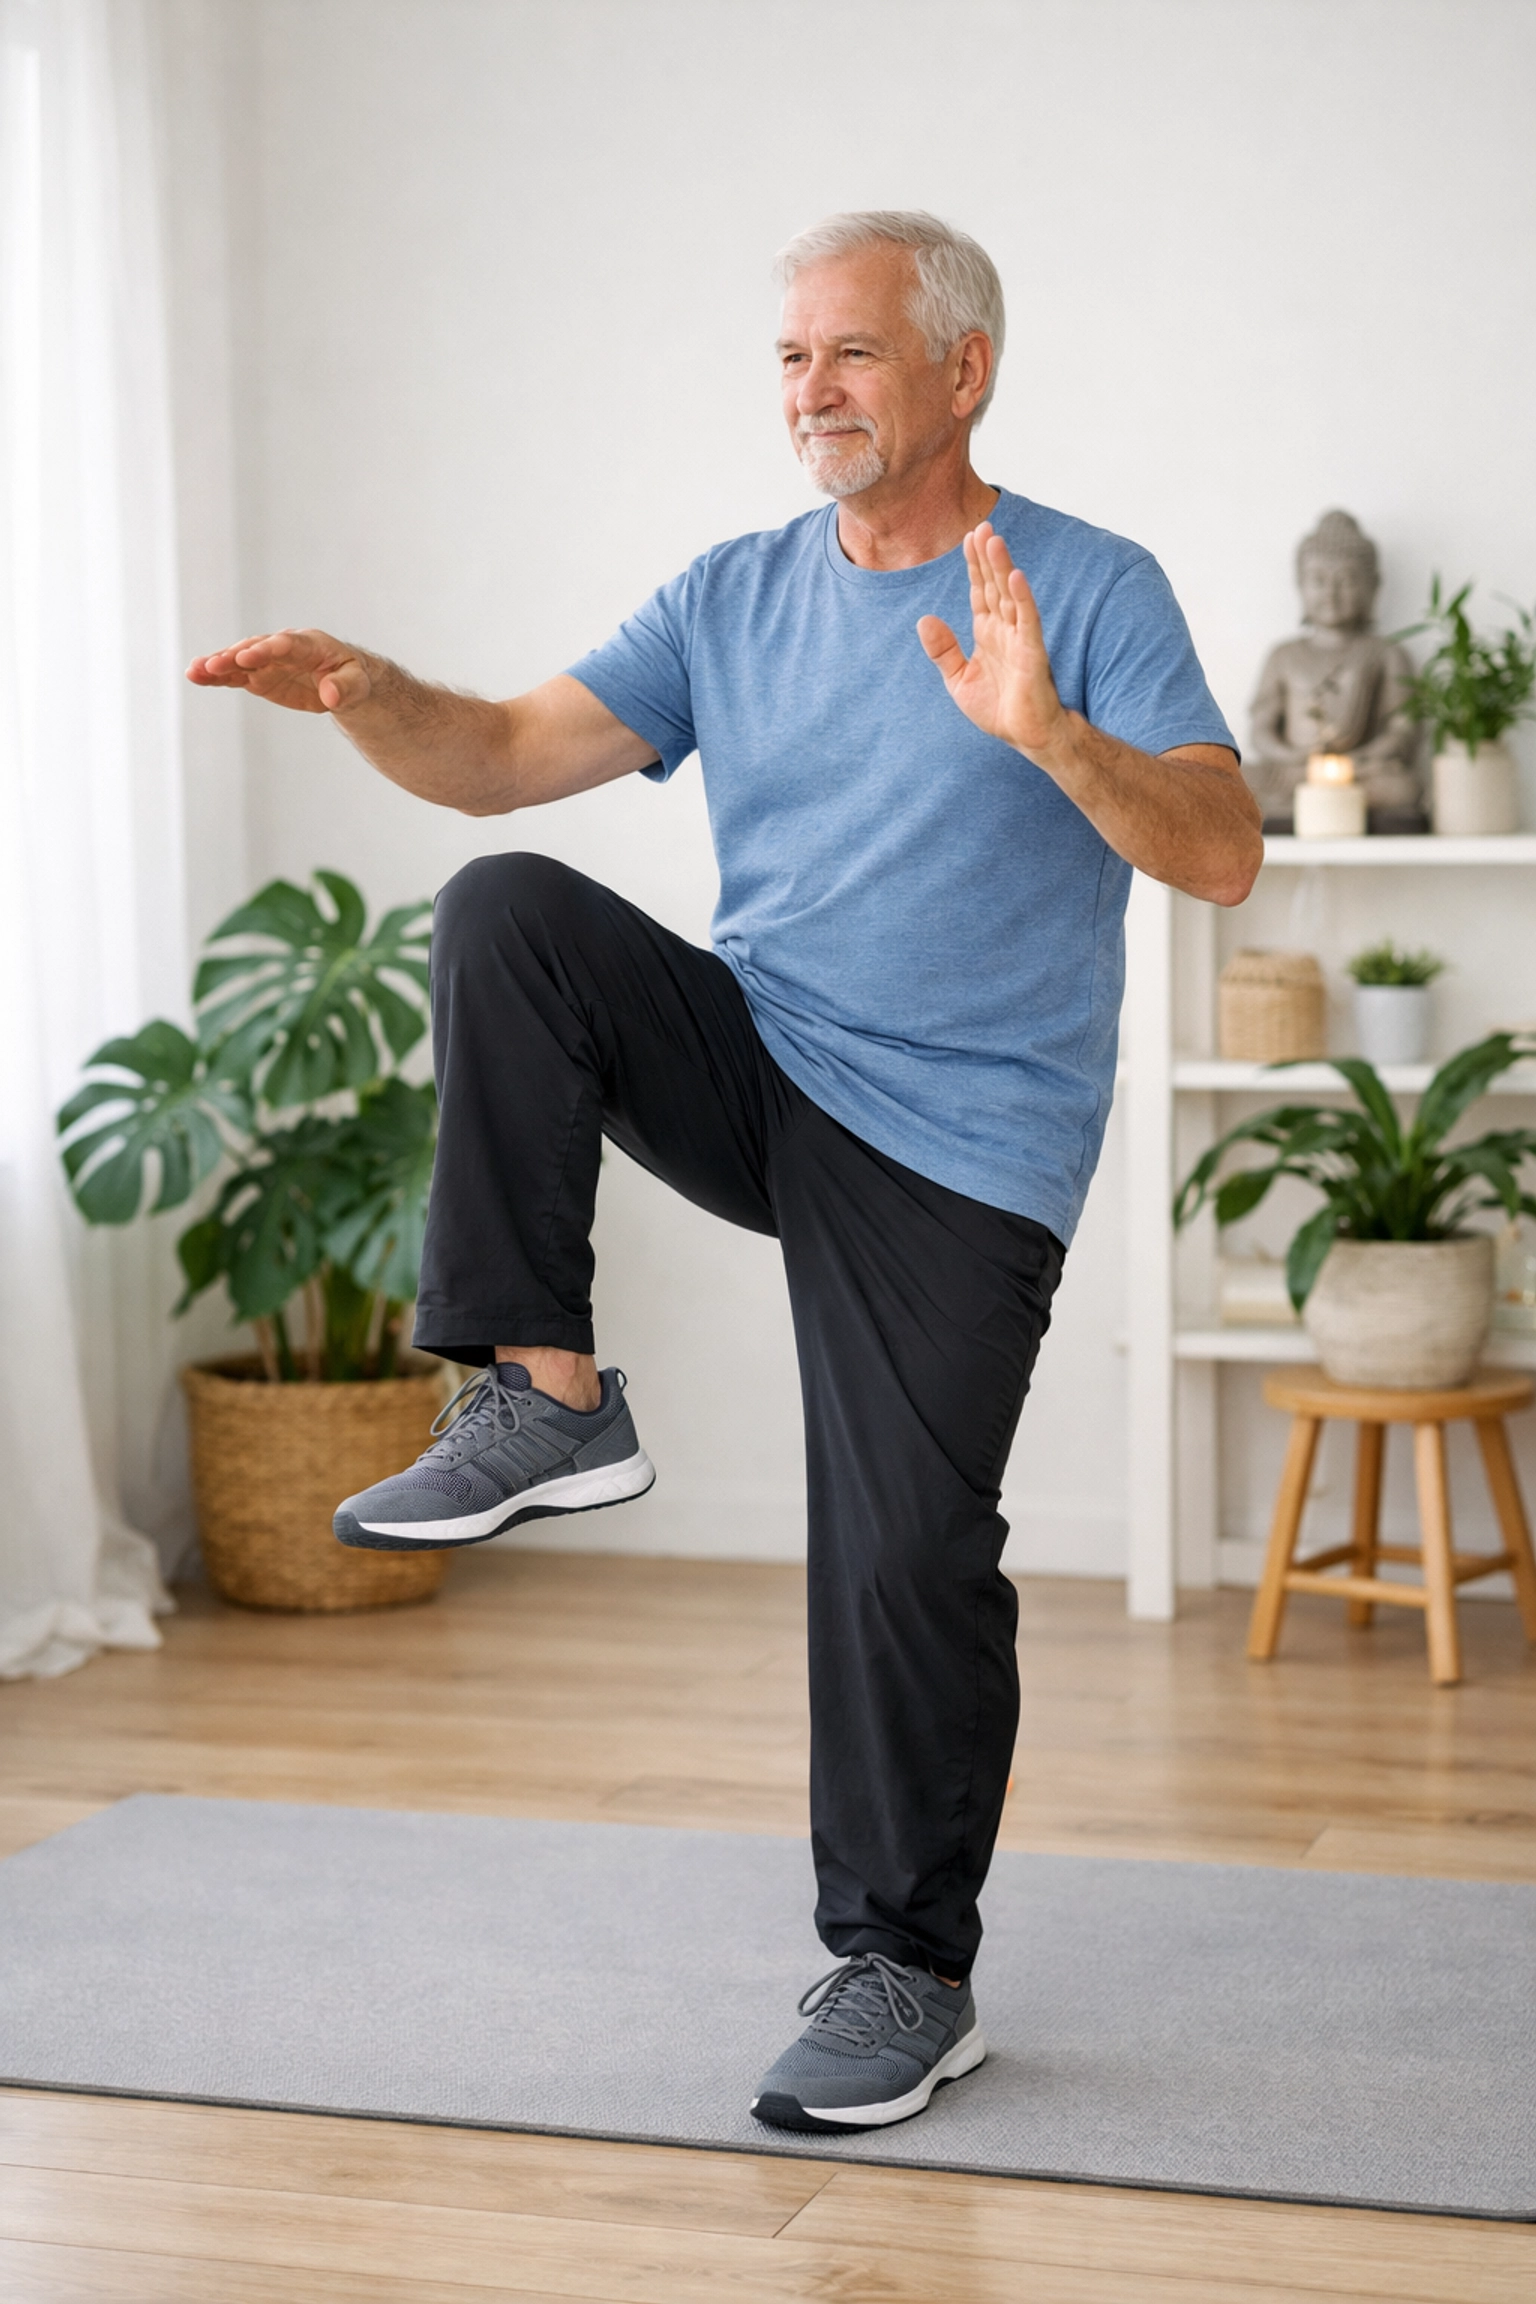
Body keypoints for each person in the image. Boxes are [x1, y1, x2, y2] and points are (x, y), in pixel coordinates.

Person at [189, 210, 1261, 2135]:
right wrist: (372, 694)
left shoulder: (1087, 584)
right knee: (508, 908)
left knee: (906, 1547)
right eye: (789, 357)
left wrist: (1049, 734)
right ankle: (545, 1397)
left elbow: (1222, 851)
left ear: (963, 371)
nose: (810, 391)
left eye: (851, 353)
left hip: (963, 1142)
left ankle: (905, 1970)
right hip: (765, 1060)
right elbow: (503, 752)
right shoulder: (732, 595)